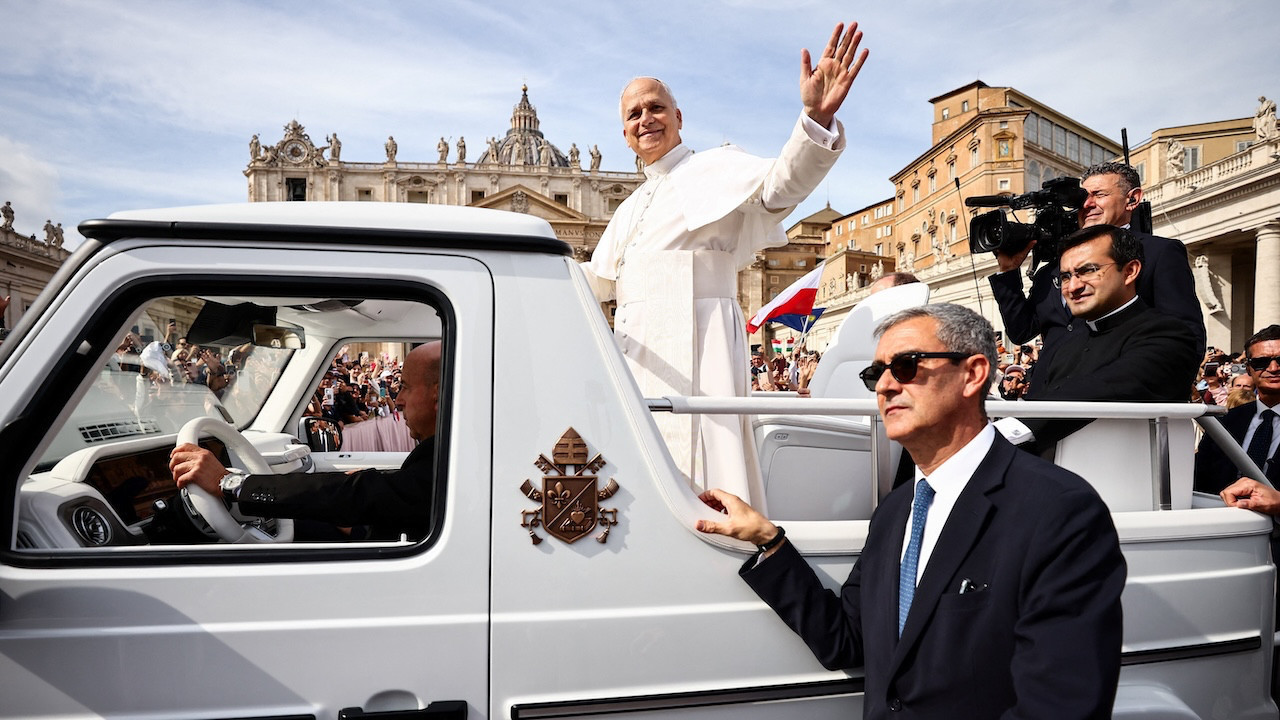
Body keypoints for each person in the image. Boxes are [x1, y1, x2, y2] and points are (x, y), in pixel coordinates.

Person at [696, 303, 1125, 717]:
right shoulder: (896, 510)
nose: (884, 386)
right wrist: (768, 541)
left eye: (906, 366)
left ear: (973, 374)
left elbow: (1061, 704)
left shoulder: (1059, 510)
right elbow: (848, 642)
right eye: (874, 374)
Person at [582, 22, 868, 496]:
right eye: (634, 114)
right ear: (625, 134)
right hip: (638, 357)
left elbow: (781, 188)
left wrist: (814, 120)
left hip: (703, 340)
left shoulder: (715, 167)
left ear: (678, 116)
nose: (646, 118)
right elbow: (598, 282)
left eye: (656, 107)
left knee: (710, 470)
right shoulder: (629, 207)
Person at [169, 341, 442, 541]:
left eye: (405, 386)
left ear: (438, 395)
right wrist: (356, 523)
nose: (399, 400)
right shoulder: (443, 454)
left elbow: (365, 494)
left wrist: (231, 483)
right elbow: (386, 497)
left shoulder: (446, 461)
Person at [995, 224, 1200, 452]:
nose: (1073, 287)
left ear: (1130, 271)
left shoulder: (1168, 336)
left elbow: (1103, 389)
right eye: (1065, 277)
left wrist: (1005, 433)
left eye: (1089, 270)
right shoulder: (1067, 342)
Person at [987, 162, 1204, 369]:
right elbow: (1021, 331)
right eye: (1083, 197)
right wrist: (1008, 271)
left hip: (1117, 400)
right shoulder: (1051, 271)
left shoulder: (1158, 253)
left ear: (1132, 199)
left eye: (1099, 194)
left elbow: (1188, 338)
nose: (1088, 204)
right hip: (1048, 399)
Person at [1196, 325, 1280, 493]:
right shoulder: (1227, 423)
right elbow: (1199, 478)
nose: (1273, 368)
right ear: (1248, 368)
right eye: (1260, 362)